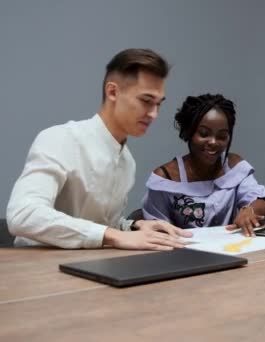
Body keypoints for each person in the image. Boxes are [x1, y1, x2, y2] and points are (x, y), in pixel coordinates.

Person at [6, 48, 192, 250]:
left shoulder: (127, 161)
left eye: (158, 104)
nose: (154, 114)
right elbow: (22, 214)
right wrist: (111, 234)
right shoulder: (61, 139)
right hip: (36, 269)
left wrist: (132, 227)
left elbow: (99, 225)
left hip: (90, 265)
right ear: (112, 91)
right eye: (146, 101)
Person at [142, 94, 265, 236]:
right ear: (188, 132)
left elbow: (259, 200)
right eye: (204, 134)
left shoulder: (234, 166)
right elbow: (155, 228)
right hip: (181, 253)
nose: (213, 142)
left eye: (221, 136)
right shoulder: (165, 177)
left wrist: (249, 210)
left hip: (232, 249)